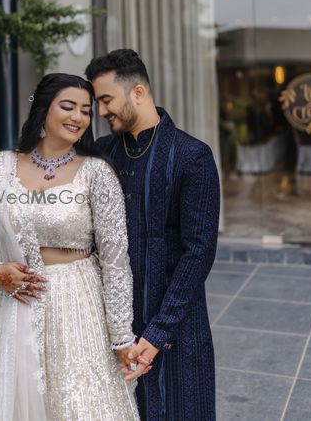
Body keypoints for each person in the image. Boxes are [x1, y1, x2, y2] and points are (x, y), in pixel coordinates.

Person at [0, 73, 140, 421]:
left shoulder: (97, 173)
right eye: (68, 107)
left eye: (85, 110)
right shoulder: (2, 168)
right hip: (15, 305)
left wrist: (121, 337)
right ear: (43, 109)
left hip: (77, 305)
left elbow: (115, 262)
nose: (78, 117)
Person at [85, 50, 220, 421]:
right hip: (112, 329)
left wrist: (158, 333)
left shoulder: (192, 156)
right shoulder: (102, 153)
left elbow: (199, 252)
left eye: (106, 100)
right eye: (98, 102)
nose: (101, 111)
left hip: (177, 328)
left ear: (138, 92)